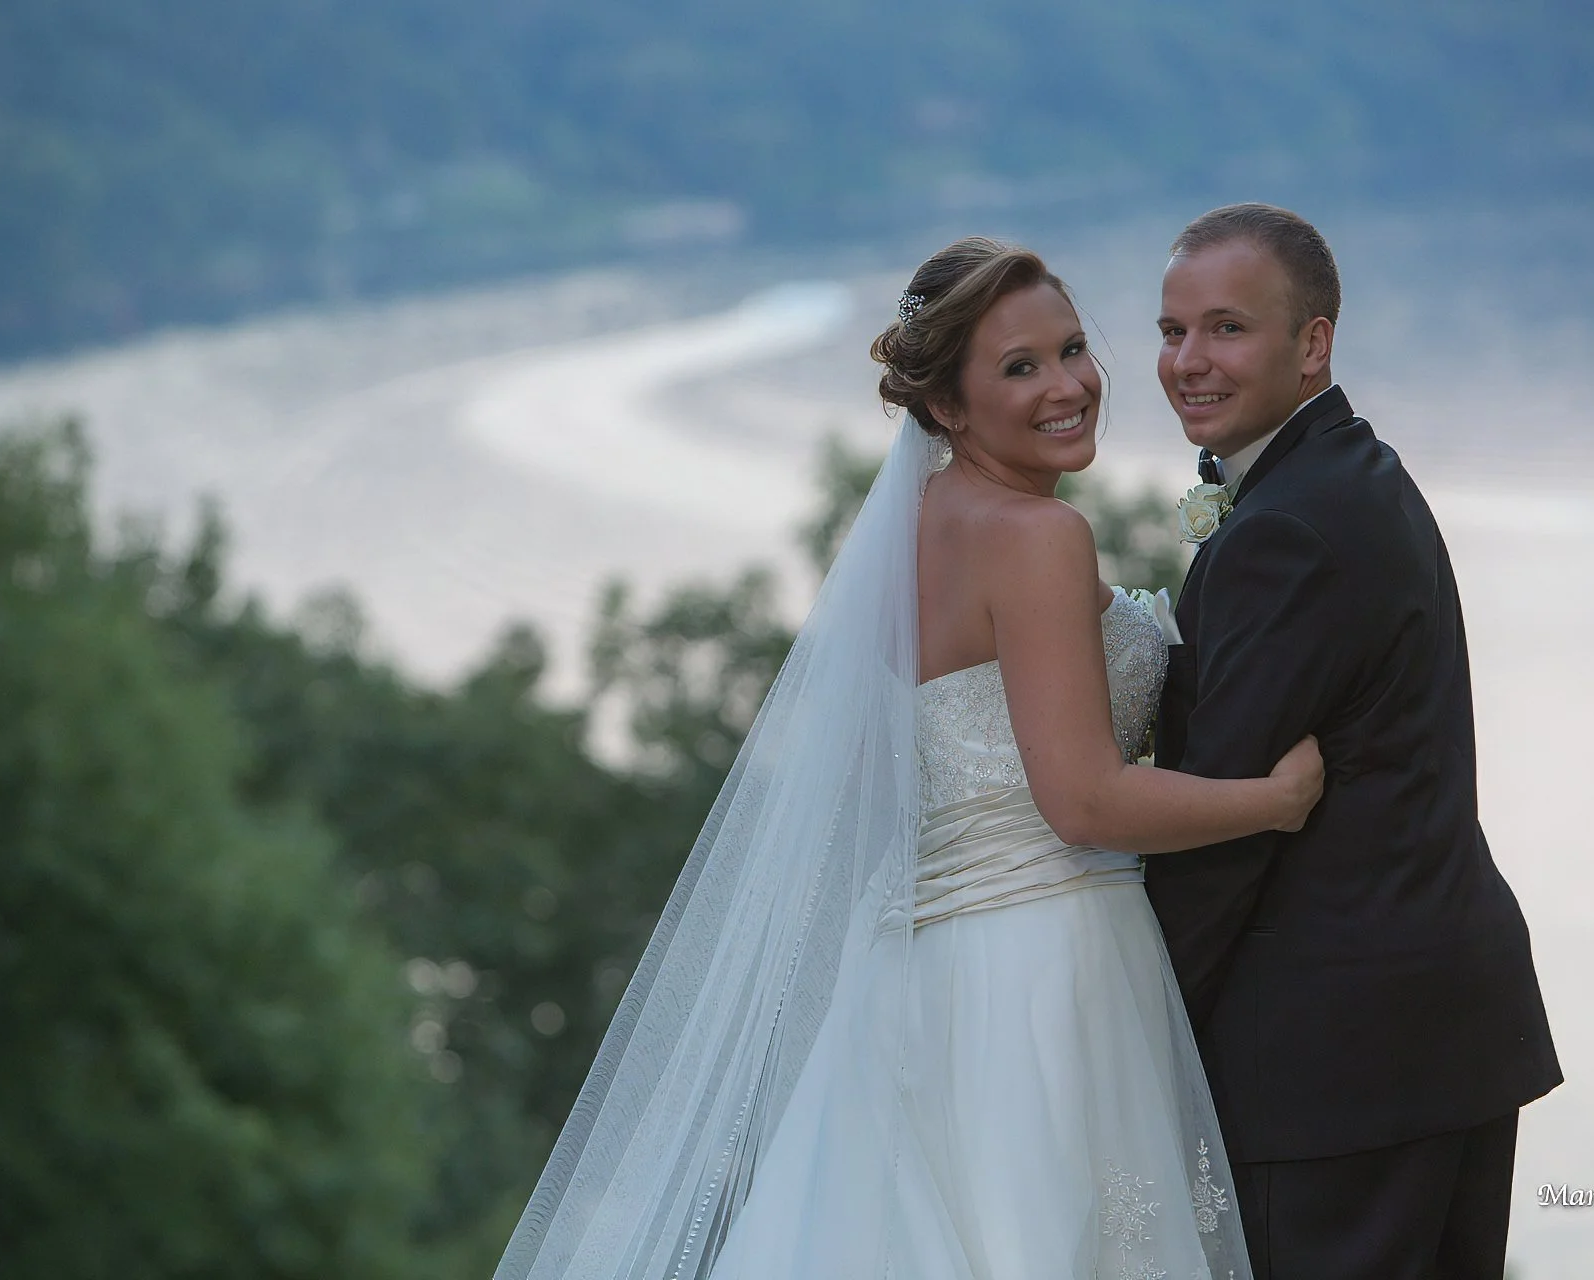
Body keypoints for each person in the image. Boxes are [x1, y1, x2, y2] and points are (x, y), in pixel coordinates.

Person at [492, 237, 1322, 1280]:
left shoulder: (915, 534)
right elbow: (1081, 797)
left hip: (919, 983)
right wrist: (1274, 799)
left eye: (1072, 349)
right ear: (946, 407)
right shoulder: (1035, 537)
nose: (1067, 385)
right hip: (1045, 972)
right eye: (1020, 367)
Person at [1145, 204, 1563, 1280]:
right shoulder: (1357, 475)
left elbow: (1221, 829)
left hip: (1337, 1064)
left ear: (1313, 342)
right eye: (1172, 329)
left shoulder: (1287, 527)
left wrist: (1132, 1026)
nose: (1188, 361)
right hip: (1442, 1031)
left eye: (1226, 328)